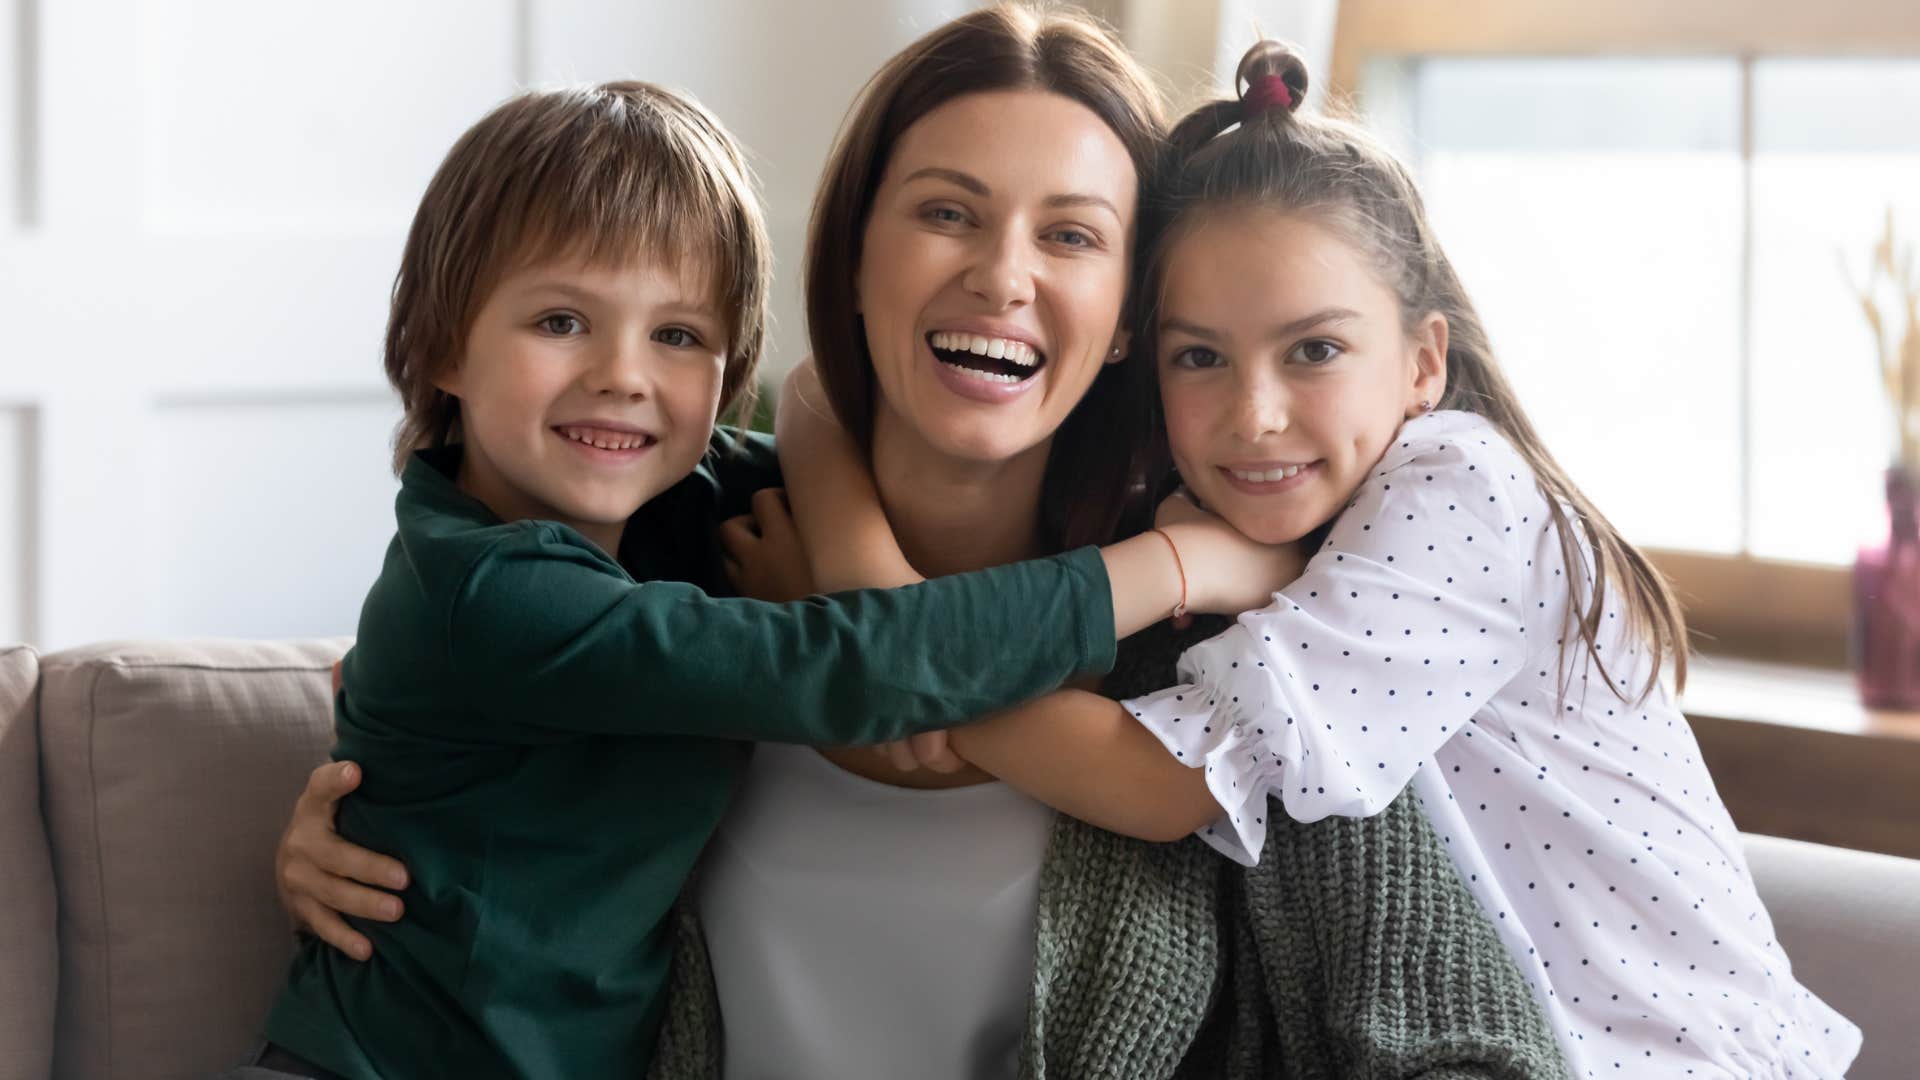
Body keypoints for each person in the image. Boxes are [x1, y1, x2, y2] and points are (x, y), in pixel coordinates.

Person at [276, 9, 1568, 1078]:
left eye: (1070, 234)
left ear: (1129, 313)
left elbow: (1464, 1043)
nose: (1003, 275)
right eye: (947, 213)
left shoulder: (1244, 671)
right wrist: (356, 794)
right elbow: (464, 675)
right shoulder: (693, 544)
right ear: (852, 258)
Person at [888, 38, 1859, 1078]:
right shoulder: (1252, 523)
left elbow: (1165, 784)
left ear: (1423, 362)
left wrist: (890, 669)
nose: (1254, 417)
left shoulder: (1460, 489)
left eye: (1315, 350)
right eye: (1200, 357)